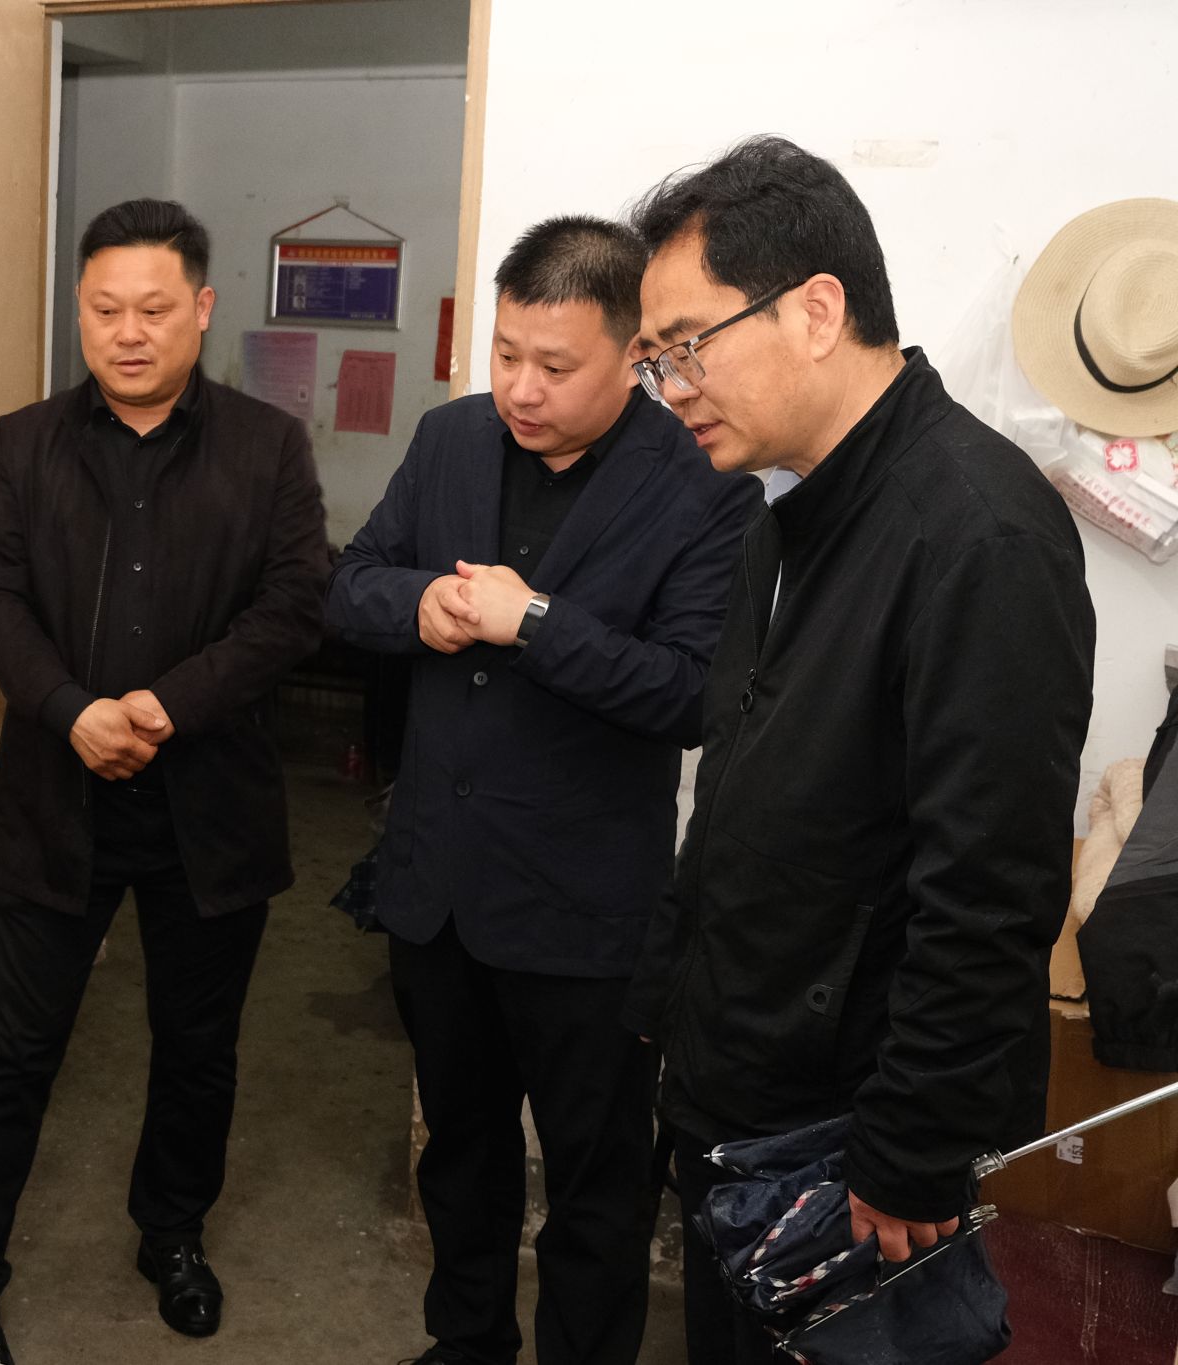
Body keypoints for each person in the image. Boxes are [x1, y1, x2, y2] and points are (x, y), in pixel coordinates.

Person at [622, 136, 1097, 1362]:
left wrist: (908, 1147)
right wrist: (671, 1004)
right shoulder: (783, 512)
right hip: (744, 1092)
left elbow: (987, 887)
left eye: (686, 344)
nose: (670, 386)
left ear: (816, 310)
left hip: (849, 1139)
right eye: (654, 359)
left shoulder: (977, 532)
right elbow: (741, 793)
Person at [326, 215, 761, 1365]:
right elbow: (350, 583)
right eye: (506, 353)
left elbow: (690, 695)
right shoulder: (450, 439)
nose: (520, 389)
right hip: (436, 891)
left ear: (632, 355)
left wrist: (535, 624)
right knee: (458, 1155)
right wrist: (415, 603)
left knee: (594, 1185)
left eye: (554, 366)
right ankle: (464, 1344)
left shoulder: (703, 485)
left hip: (585, 914)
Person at [0, 197, 329, 1363]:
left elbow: (293, 605)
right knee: (12, 1050)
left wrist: (171, 704)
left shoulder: (267, 447)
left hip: (208, 806)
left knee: (196, 1047)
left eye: (153, 309)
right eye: (104, 309)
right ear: (79, 311)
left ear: (200, 309)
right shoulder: (22, 444)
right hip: (56, 801)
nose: (127, 332)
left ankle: (171, 1234)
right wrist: (70, 710)